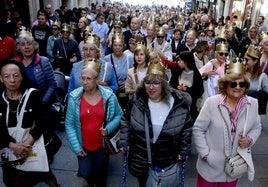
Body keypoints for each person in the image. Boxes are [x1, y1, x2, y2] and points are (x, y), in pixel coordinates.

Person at [120, 57, 193, 187]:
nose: (151, 87)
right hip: (141, 158)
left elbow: (186, 127)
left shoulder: (177, 103)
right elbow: (126, 119)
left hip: (167, 158)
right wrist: (124, 140)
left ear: (164, 84)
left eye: (156, 83)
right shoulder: (137, 100)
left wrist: (184, 150)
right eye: (148, 82)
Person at [192, 58, 262, 187]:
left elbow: (257, 127)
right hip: (210, 168)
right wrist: (206, 155)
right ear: (225, 85)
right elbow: (198, 130)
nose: (238, 88)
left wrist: (250, 139)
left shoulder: (252, 104)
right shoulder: (212, 103)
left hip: (234, 167)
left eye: (242, 84)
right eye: (233, 84)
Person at [0, 59, 59, 187]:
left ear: (22, 76)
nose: (12, 80)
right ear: (1, 78)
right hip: (9, 148)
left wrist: (27, 144)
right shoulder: (0, 99)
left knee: (43, 173)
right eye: (7, 76)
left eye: (16, 76)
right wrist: (12, 145)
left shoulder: (32, 95)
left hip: (32, 145)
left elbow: (43, 121)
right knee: (13, 180)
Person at [65, 58, 122, 187]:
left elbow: (119, 115)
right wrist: (76, 147)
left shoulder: (109, 97)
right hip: (83, 145)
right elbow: (69, 124)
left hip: (102, 146)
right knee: (86, 173)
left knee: (101, 174)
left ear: (96, 80)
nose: (84, 82)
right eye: (82, 78)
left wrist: (108, 128)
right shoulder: (74, 98)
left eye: (88, 79)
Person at [99, 33, 133, 109]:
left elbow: (135, 73)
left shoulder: (129, 58)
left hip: (125, 92)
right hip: (111, 92)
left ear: (123, 46)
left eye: (120, 45)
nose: (118, 48)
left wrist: (128, 82)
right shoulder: (106, 59)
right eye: (115, 45)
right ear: (112, 46)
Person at [170, 51, 204, 121]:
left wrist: (186, 90)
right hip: (176, 106)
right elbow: (171, 85)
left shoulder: (196, 76)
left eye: (180, 60)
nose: (178, 62)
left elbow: (199, 91)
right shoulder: (177, 72)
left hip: (190, 109)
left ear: (186, 62)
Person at [244, 46, 268, 114]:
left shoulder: (263, 77)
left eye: (247, 60)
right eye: (244, 59)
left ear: (255, 61)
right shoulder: (241, 74)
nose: (244, 62)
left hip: (254, 112)